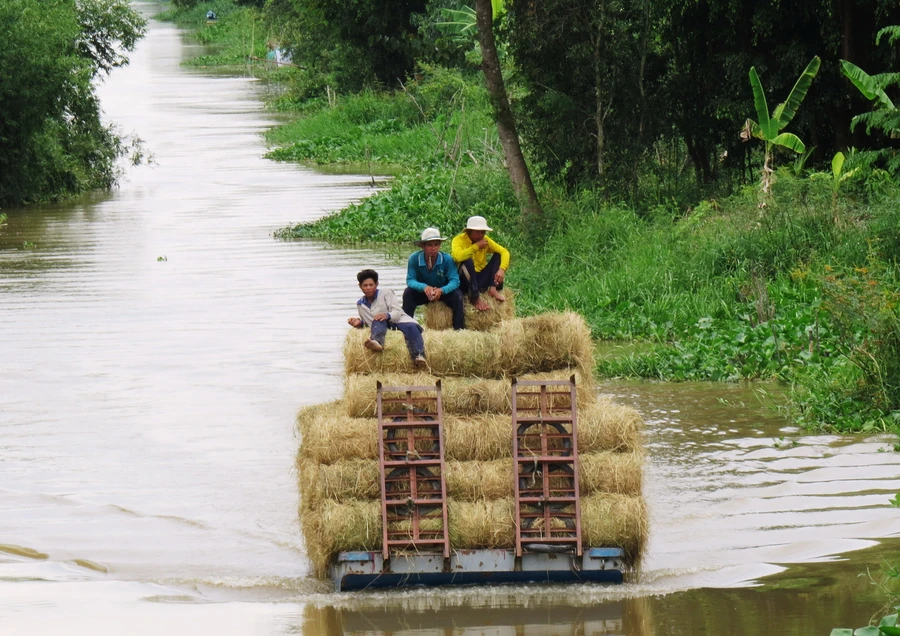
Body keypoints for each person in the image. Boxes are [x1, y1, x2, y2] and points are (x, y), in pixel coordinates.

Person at [348, 269, 427, 368]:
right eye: (365, 285)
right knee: (377, 320)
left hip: (398, 321)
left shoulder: (387, 293)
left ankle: (419, 355)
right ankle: (377, 342)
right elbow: (368, 323)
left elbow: (397, 311)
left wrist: (387, 315)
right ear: (360, 286)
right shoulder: (360, 304)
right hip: (380, 324)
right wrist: (359, 323)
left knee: (412, 327)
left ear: (376, 284)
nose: (368, 288)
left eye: (371, 285)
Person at [402, 227, 465, 330]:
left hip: (442, 292)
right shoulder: (414, 259)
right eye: (429, 245)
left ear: (439, 245)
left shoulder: (447, 259)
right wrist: (424, 287)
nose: (433, 248)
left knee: (458, 295)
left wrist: (441, 290)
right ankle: (406, 326)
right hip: (424, 293)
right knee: (408, 293)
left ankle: (459, 330)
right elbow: (410, 280)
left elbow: (455, 280)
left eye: (436, 244)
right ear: (423, 246)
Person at [450, 215, 510, 311]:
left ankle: (493, 288)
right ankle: (475, 298)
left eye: (483, 232)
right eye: (478, 232)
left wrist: (502, 269)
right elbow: (458, 257)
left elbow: (504, 252)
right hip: (465, 281)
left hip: (479, 279)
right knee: (467, 261)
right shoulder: (458, 240)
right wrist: (476, 246)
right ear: (470, 231)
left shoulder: (485, 240)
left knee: (498, 255)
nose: (481, 235)